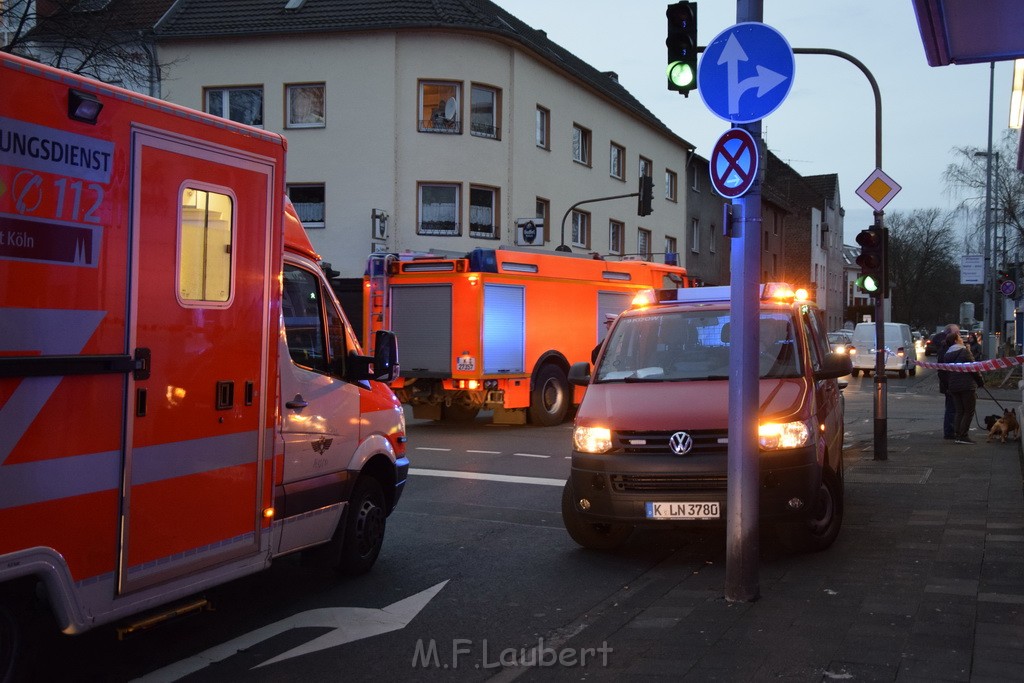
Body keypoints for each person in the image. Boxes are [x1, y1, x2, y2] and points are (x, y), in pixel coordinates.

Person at [942, 330, 984, 444]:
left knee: (959, 411)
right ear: (956, 340)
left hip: (954, 386)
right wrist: (980, 382)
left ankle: (957, 434)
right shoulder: (965, 352)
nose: (962, 338)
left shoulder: (947, 354)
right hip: (967, 385)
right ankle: (963, 435)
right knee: (968, 411)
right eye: (960, 337)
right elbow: (973, 368)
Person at [933, 323, 960, 439]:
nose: (959, 335)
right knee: (951, 408)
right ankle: (949, 431)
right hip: (950, 384)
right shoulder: (946, 349)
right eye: (956, 333)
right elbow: (943, 371)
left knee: (952, 407)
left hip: (951, 383)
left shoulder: (946, 347)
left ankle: (951, 430)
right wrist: (947, 385)